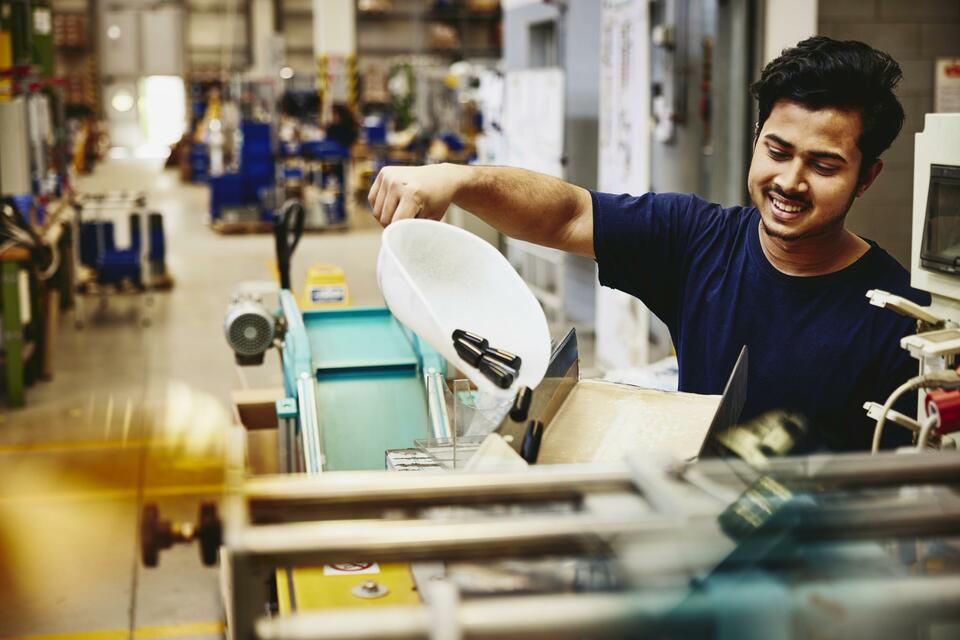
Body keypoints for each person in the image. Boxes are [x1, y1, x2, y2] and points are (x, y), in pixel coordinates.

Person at [368, 36, 930, 452]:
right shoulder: (697, 241)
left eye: (824, 165)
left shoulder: (900, 318)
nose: (790, 181)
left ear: (867, 177)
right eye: (778, 152)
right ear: (757, 140)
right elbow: (568, 214)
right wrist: (458, 178)